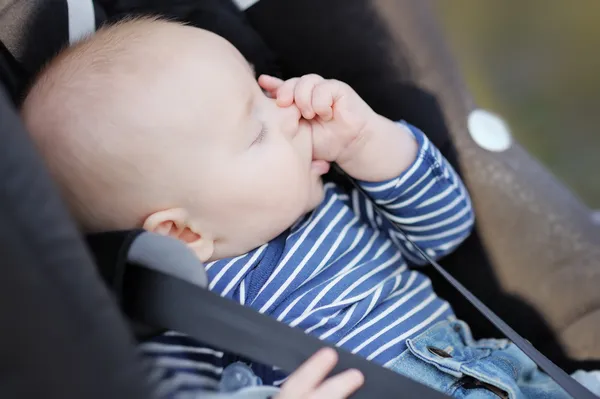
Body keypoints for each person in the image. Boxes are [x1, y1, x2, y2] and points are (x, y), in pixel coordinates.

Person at [21, 17, 599, 399]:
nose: (289, 111)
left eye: (262, 89)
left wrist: (368, 143)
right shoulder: (176, 319)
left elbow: (445, 230)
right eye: (255, 132)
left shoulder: (330, 211)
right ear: (180, 231)